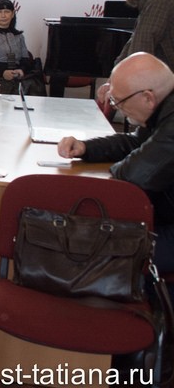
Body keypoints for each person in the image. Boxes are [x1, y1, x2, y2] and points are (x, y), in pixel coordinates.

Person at [57, 53, 174, 271]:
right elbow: (135, 142)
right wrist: (86, 148)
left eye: (118, 101)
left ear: (148, 98)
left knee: (100, 253)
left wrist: (122, 165)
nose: (117, 107)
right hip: (165, 212)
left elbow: (133, 174)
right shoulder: (166, 107)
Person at [96, 0, 174, 106]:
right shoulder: (157, 0)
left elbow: (140, 52)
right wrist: (112, 82)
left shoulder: (161, 1)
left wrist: (118, 87)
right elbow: (132, 44)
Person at [0, 0, 45, 95]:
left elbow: (25, 59)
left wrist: (21, 70)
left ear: (12, 14)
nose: (3, 15)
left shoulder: (19, 36)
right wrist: (3, 72)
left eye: (7, 11)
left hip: (18, 79)